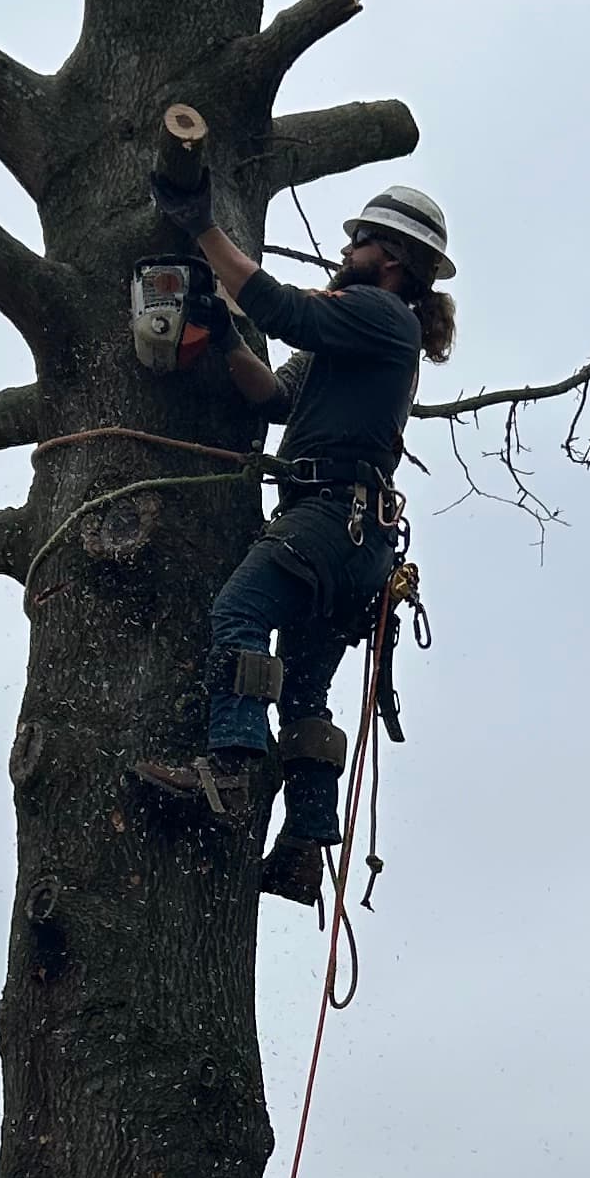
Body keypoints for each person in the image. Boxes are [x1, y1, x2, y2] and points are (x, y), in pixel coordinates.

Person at [128, 184, 455, 906]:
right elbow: (274, 399)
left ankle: (232, 771)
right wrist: (225, 336)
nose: (346, 251)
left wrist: (203, 226)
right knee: (304, 690)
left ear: (393, 258)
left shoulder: (379, 315)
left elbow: (287, 309)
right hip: (352, 536)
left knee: (238, 612)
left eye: (360, 240)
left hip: (332, 517)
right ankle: (304, 846)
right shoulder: (351, 341)